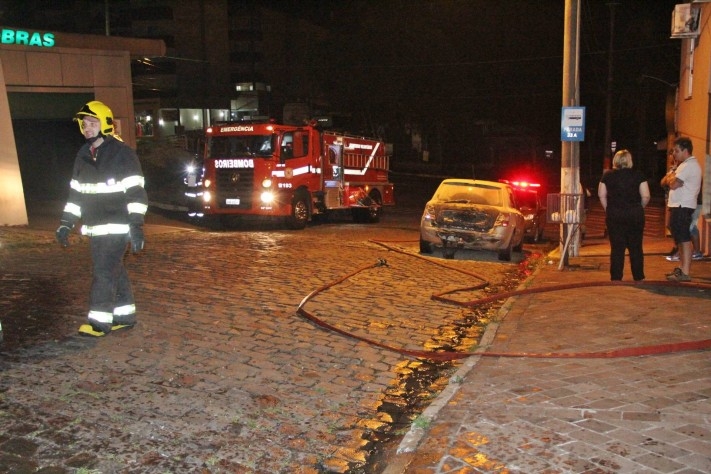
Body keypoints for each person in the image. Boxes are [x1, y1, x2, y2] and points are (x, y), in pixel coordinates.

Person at [55, 100, 148, 336]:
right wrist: (66, 223)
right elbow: (76, 194)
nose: (87, 128)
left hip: (118, 227)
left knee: (104, 272)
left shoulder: (122, 154)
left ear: (105, 124)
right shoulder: (83, 155)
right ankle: (124, 315)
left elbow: (136, 192)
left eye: (92, 123)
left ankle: (99, 322)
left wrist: (136, 226)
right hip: (96, 228)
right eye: (84, 123)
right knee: (114, 269)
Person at [598, 149, 650, 281]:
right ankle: (638, 276)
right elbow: (646, 195)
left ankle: (616, 277)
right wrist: (640, 207)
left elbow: (601, 194)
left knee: (617, 248)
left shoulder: (607, 176)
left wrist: (607, 208)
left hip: (615, 214)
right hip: (634, 214)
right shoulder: (638, 175)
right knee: (636, 247)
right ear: (630, 160)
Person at [662, 137, 702, 282]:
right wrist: (672, 176)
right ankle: (682, 268)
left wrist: (671, 175)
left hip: (683, 206)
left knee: (684, 238)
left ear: (685, 150)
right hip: (680, 205)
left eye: (677, 151)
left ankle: (685, 271)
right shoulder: (684, 165)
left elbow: (672, 184)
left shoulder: (688, 165)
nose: (674, 154)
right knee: (680, 237)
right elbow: (666, 182)